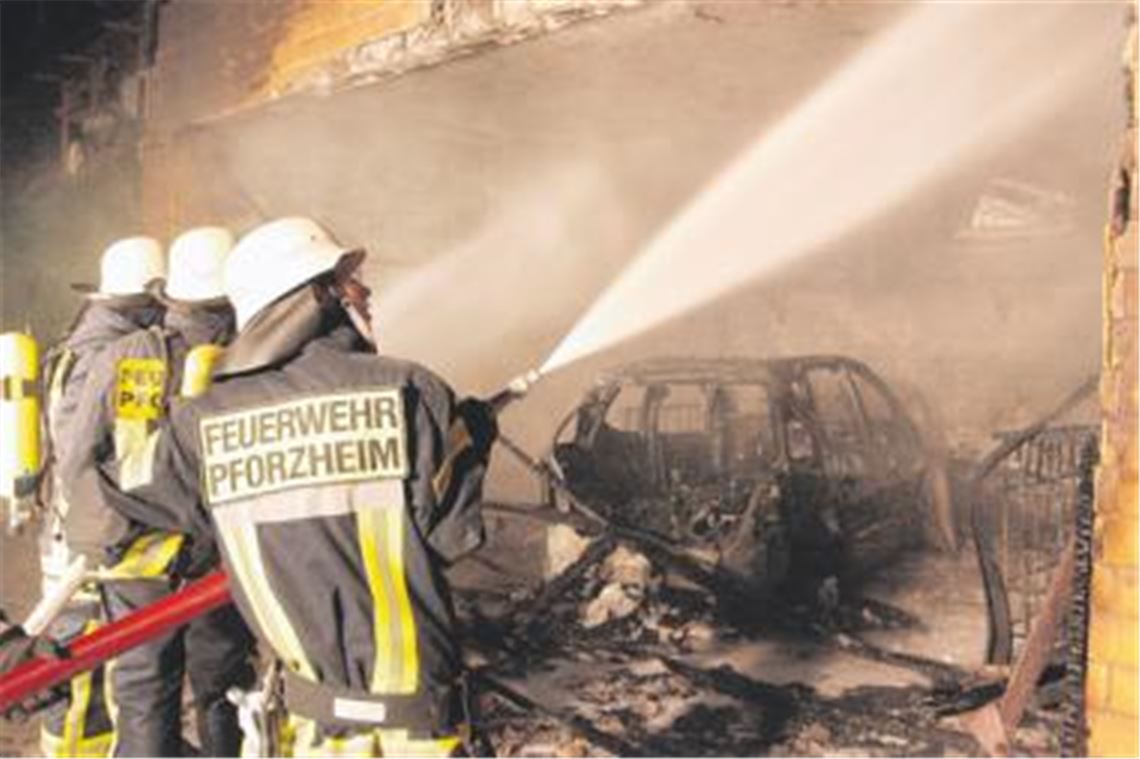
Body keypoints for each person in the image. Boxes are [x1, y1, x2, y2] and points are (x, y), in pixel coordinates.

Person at [99, 217, 497, 757]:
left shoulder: (201, 426)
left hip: (308, 735)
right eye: (346, 279)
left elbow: (115, 500)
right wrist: (468, 447)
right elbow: (451, 539)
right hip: (419, 735)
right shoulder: (410, 391)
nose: (366, 291)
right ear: (315, 296)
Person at [62, 227, 257, 757]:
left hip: (136, 560)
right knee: (226, 686)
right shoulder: (249, 359)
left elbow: (79, 454)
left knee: (145, 691)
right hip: (218, 557)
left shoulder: (125, 355)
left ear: (170, 295)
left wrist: (96, 539)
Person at [38, 236, 166, 758]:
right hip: (91, 550)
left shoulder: (75, 345)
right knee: (86, 685)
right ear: (150, 298)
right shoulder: (109, 354)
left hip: (65, 537)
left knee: (76, 681)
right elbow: (84, 452)